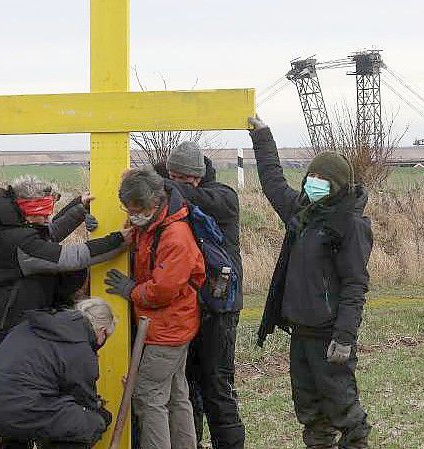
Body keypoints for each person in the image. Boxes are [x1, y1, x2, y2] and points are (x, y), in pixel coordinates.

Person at [249, 116, 373, 449]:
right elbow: (272, 182)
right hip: (300, 332)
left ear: (338, 185)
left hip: (329, 336)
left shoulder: (349, 224)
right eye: (311, 176)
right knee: (310, 411)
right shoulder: (302, 211)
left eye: (322, 179)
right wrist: (262, 135)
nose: (313, 183)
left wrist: (345, 336)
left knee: (344, 411)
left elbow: (354, 285)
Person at [0, 175, 129, 366]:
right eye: (44, 214)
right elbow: (72, 257)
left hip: (0, 323)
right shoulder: (19, 242)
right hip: (6, 332)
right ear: (28, 210)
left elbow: (48, 233)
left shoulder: (9, 224)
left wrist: (80, 207)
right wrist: (118, 240)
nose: (48, 219)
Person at [103, 166, 205, 449]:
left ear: (152, 203)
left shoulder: (175, 236)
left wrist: (131, 290)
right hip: (171, 325)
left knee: (148, 396)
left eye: (134, 209)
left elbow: (163, 290)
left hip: (167, 329)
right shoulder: (152, 225)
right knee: (174, 394)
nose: (130, 215)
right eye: (127, 209)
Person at [158, 142, 245, 449]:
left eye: (186, 177)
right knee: (186, 388)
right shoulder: (168, 194)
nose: (181, 183)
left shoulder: (223, 197)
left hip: (219, 308)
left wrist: (161, 185)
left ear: (198, 176)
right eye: (173, 175)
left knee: (216, 387)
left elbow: (194, 197)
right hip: (185, 306)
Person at [0, 298, 117, 449]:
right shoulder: (81, 349)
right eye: (106, 336)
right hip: (8, 408)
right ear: (101, 331)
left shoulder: (32, 325)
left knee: (27, 415)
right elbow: (84, 401)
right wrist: (101, 411)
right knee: (90, 422)